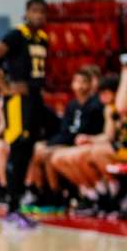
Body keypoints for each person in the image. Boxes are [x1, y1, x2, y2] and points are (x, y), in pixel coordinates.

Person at [0, 0, 50, 229]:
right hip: (18, 102)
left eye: (42, 12)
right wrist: (5, 87)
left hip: (35, 99)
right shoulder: (17, 35)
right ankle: (12, 208)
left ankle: (19, 203)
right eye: (34, 11)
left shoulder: (43, 38)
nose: (38, 15)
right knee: (17, 152)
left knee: (28, 151)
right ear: (26, 13)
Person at [23, 67, 104, 213]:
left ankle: (57, 195)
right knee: (36, 149)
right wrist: (49, 143)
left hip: (80, 143)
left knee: (49, 155)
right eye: (76, 81)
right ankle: (39, 191)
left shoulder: (95, 105)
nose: (79, 85)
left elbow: (83, 132)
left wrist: (52, 145)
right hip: (69, 141)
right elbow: (64, 130)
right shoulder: (72, 105)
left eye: (83, 82)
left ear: (90, 84)